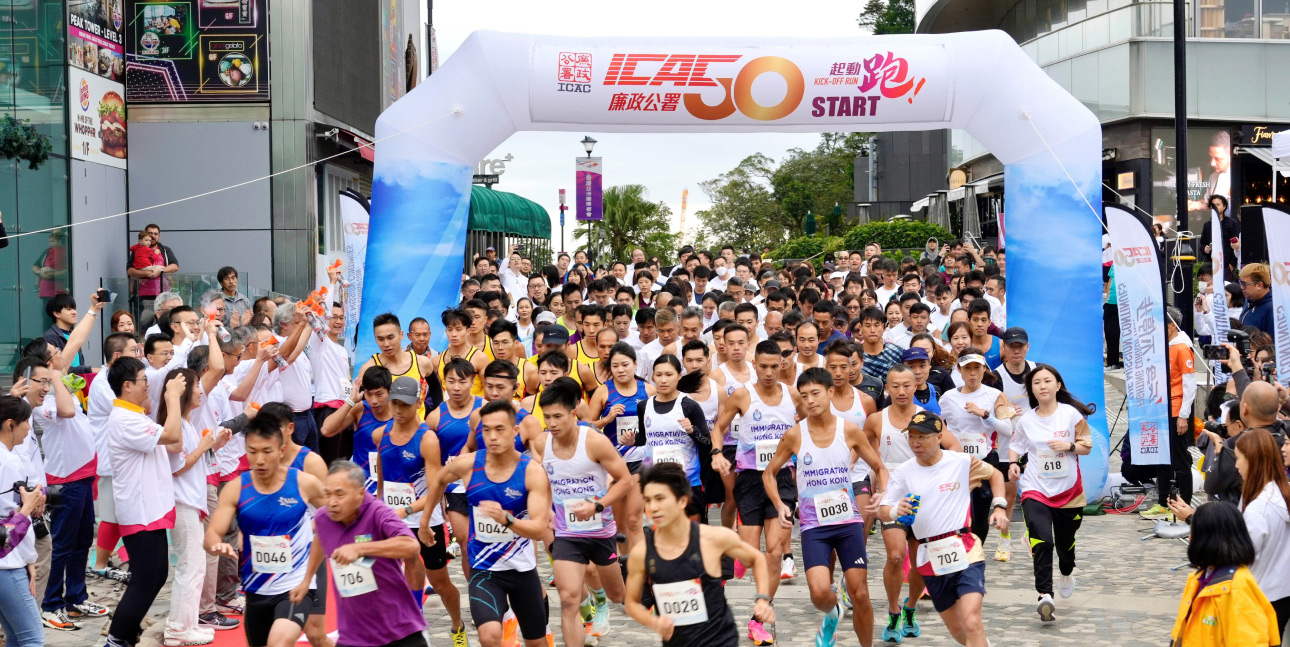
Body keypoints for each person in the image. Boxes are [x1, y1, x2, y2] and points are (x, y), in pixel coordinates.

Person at [764, 368, 885, 647]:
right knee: (819, 593)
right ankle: (834, 612)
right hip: (813, 526)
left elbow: (879, 465)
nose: (810, 400)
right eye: (804, 395)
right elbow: (768, 473)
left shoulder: (850, 430)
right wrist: (780, 504)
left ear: (830, 392)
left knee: (861, 593)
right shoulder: (795, 435)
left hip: (847, 523)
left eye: (815, 393)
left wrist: (883, 492)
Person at [418, 399, 552, 647]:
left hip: (522, 572)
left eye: (499, 429)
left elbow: (538, 529)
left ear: (515, 432)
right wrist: (425, 522)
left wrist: (507, 519)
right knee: (489, 636)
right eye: (486, 430)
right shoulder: (469, 464)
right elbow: (439, 480)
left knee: (537, 642)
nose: (492, 436)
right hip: (484, 571)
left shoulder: (531, 472)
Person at [879, 411, 1008, 647]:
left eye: (922, 437)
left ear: (940, 437)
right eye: (911, 437)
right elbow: (883, 509)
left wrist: (999, 506)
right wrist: (897, 510)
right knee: (960, 632)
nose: (915, 443)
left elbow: (996, 474)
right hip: (930, 558)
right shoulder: (905, 472)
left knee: (971, 621)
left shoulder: (959, 461)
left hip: (965, 550)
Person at [204, 415, 326, 647]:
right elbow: (212, 533)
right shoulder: (236, 488)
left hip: (296, 585)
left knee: (280, 643)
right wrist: (215, 545)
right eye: (252, 451)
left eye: (266, 451)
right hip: (256, 590)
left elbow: (336, 515)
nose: (259, 459)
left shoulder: (304, 483)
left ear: (281, 450)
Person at [623, 463, 774, 647]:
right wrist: (654, 622)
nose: (653, 507)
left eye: (660, 498)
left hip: (720, 640)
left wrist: (762, 600)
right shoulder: (642, 551)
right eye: (647, 500)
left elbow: (756, 559)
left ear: (682, 501)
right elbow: (631, 603)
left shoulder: (711, 538)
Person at [530, 377, 633, 646]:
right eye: (547, 417)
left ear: (573, 412)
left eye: (558, 416)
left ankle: (624, 572)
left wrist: (597, 505)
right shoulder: (542, 444)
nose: (551, 423)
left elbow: (625, 480)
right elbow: (542, 481)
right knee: (568, 599)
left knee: (617, 595)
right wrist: (547, 509)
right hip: (566, 534)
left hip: (601, 531)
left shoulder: (594, 442)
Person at [712, 341, 803, 646]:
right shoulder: (743, 394)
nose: (767, 372)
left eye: (774, 366)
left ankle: (758, 617)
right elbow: (718, 427)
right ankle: (734, 557)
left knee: (774, 554)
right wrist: (716, 452)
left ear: (783, 364)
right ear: (755, 366)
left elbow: (809, 423)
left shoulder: (792, 394)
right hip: (750, 479)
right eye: (762, 366)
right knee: (751, 555)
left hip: (781, 480)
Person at [865, 364, 960, 642]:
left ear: (915, 384)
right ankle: (894, 612)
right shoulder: (875, 420)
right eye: (895, 385)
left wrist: (939, 476)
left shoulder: (927, 417)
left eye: (907, 385)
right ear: (887, 387)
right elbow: (862, 452)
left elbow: (954, 448)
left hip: (924, 497)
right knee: (895, 556)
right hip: (892, 495)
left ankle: (910, 608)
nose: (902, 391)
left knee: (921, 561)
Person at [290, 461, 427, 647]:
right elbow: (320, 541)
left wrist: (361, 548)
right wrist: (306, 580)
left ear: (359, 494)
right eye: (327, 494)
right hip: (353, 634)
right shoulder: (324, 517)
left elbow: (411, 546)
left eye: (340, 494)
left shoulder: (379, 512)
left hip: (398, 630)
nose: (332, 502)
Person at [374, 376, 467, 646]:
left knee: (440, 583)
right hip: (393, 519)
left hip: (424, 519)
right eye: (394, 404)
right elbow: (381, 481)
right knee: (401, 575)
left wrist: (416, 517)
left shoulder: (427, 439)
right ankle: (410, 629)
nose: (399, 411)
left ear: (418, 403)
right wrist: (380, 507)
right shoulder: (381, 435)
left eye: (405, 405)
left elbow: (434, 489)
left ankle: (457, 626)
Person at [102, 357, 186, 647]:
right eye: (143, 381)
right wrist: (172, 397)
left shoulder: (135, 415)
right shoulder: (124, 420)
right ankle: (116, 639)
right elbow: (173, 434)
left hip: (151, 507)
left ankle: (126, 634)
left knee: (158, 574)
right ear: (127, 386)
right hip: (140, 510)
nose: (148, 386)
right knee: (143, 579)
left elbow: (173, 442)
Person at [1008, 364, 1095, 621]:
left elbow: (1086, 446)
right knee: (1043, 542)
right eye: (1037, 383)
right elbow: (1016, 445)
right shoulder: (1026, 420)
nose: (1042, 386)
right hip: (1036, 488)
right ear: (1031, 390)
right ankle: (1044, 594)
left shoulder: (1070, 415)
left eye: (1047, 381)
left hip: (1069, 492)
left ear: (1058, 385)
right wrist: (1014, 463)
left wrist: (1068, 445)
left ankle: (1066, 572)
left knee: (1065, 547)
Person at [1169, 501, 1280, 647]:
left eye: (1193, 531)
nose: (1189, 537)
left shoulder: (1237, 588)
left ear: (1209, 538)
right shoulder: (1197, 579)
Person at [939, 351, 1014, 544]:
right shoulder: (948, 397)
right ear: (959, 371)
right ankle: (961, 551)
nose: (972, 373)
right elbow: (938, 426)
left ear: (984, 370)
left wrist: (985, 415)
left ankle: (976, 551)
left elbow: (1007, 429)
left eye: (977, 368)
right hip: (956, 462)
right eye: (968, 369)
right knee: (959, 511)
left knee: (980, 517)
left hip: (985, 460)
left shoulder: (996, 395)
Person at [585, 344, 652, 551]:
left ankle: (640, 571)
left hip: (641, 461)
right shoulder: (603, 392)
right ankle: (625, 567)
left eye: (625, 365)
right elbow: (586, 426)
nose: (621, 370)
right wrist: (608, 418)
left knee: (634, 520)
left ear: (635, 364)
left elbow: (659, 423)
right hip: (614, 464)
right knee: (620, 526)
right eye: (615, 366)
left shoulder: (648, 390)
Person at [636, 355, 711, 522]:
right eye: (659, 375)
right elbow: (643, 438)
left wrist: (692, 430)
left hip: (686, 481)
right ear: (653, 376)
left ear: (679, 375)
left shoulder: (689, 406)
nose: (663, 380)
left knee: (691, 538)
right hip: (654, 481)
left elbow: (707, 445)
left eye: (669, 375)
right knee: (660, 537)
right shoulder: (644, 406)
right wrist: (631, 440)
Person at [0, 395, 47, 647]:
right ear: (10, 424)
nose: (29, 428)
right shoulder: (8, 462)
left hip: (10, 561)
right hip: (7, 564)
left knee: (17, 638)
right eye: (25, 422)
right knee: (32, 638)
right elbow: (12, 525)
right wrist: (29, 505)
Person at [1143, 307, 1196, 519]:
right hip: (1161, 409)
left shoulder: (1182, 348)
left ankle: (1185, 506)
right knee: (1162, 458)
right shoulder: (1165, 346)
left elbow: (1189, 384)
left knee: (1181, 460)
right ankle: (1164, 502)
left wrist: (1183, 415)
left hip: (1175, 410)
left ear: (1172, 326)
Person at [321, 367, 394, 491]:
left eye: (379, 394)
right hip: (362, 487)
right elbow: (326, 430)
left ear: (389, 391)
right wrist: (351, 400)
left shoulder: (400, 413)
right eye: (369, 394)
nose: (374, 401)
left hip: (391, 484)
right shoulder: (360, 410)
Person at [1239, 263, 1274, 337]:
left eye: (1244, 284)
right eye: (1240, 283)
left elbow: (1272, 345)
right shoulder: (1249, 302)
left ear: (1259, 285)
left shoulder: (1272, 309)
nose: (1241, 287)